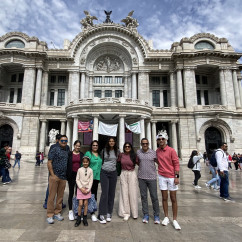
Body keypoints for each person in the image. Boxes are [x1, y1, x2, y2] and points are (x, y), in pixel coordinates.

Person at [156, 131, 181, 230]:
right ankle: (166, 216)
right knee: (164, 197)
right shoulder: (157, 151)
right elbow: (156, 160)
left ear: (166, 140)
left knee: (173, 198)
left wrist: (176, 176)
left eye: (162, 139)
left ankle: (175, 219)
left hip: (171, 176)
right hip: (162, 176)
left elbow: (176, 163)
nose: (161, 141)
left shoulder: (171, 150)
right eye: (159, 139)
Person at [46, 135, 69, 224]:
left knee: (60, 197)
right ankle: (50, 214)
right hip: (54, 176)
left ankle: (57, 212)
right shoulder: (54, 149)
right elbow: (49, 162)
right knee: (51, 196)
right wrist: (52, 175)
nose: (64, 142)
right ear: (58, 141)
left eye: (65, 140)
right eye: (62, 140)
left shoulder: (67, 149)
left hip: (63, 177)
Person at [137, 138, 160, 224]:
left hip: (152, 178)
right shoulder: (138, 153)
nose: (145, 145)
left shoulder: (154, 153)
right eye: (143, 143)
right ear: (141, 144)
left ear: (148, 144)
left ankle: (156, 215)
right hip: (141, 177)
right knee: (143, 197)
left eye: (146, 143)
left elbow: (159, 163)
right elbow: (137, 162)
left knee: (154, 197)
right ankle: (146, 214)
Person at [98, 137, 120, 224]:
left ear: (115, 142)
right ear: (108, 142)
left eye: (113, 141)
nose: (111, 142)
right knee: (104, 193)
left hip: (113, 173)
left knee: (111, 193)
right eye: (110, 141)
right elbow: (101, 161)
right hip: (104, 172)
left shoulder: (117, 151)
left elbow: (119, 161)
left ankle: (109, 212)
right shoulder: (104, 151)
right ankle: (101, 213)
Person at [118, 142, 139, 221]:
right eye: (126, 146)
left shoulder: (134, 155)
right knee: (124, 193)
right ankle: (126, 213)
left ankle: (134, 213)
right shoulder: (121, 155)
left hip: (132, 173)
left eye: (129, 146)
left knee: (133, 193)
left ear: (131, 147)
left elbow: (139, 163)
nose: (127, 147)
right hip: (123, 173)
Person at [84, 140, 102, 222]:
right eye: (94, 145)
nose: (95, 146)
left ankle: (92, 212)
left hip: (96, 178)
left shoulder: (100, 155)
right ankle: (83, 212)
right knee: (85, 194)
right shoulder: (88, 153)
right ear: (91, 146)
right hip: (88, 178)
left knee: (94, 195)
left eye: (96, 145)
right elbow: (83, 164)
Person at [66, 140, 84, 221]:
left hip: (79, 176)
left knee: (78, 194)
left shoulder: (82, 154)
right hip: (71, 175)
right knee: (71, 193)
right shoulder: (69, 154)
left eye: (79, 146)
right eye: (76, 145)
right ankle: (70, 211)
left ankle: (77, 210)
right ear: (74, 146)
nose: (78, 147)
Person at [75, 156, 93, 227]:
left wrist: (88, 189)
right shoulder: (79, 170)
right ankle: (79, 218)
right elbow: (77, 179)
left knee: (85, 203)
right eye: (84, 162)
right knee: (80, 204)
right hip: (80, 188)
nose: (85, 163)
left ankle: (85, 218)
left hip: (87, 189)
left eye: (87, 162)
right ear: (82, 162)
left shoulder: (90, 170)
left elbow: (91, 180)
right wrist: (81, 188)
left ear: (88, 162)